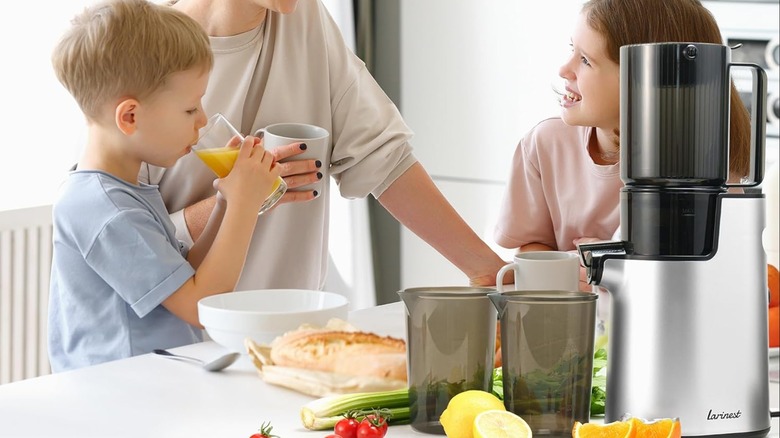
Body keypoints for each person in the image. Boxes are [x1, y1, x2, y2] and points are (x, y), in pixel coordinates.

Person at [139, 0, 507, 292]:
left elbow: (385, 159)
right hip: (184, 348)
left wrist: (491, 272)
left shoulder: (304, 18)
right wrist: (243, 197)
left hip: (297, 333)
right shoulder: (138, 50)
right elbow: (121, 241)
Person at [48, 0, 280, 372]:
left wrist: (225, 200)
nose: (202, 120)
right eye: (190, 109)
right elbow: (200, 306)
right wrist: (244, 205)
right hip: (120, 400)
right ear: (130, 116)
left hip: (151, 384)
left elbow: (186, 279)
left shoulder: (121, 190)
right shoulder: (107, 210)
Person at [493, 0, 752, 291]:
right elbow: (531, 247)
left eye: (586, 61)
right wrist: (578, 267)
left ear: (647, 81)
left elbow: (706, 276)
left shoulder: (704, 167)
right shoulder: (545, 144)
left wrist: (612, 263)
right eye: (571, 50)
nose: (564, 69)